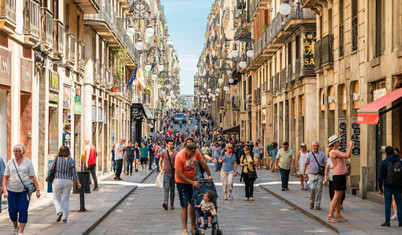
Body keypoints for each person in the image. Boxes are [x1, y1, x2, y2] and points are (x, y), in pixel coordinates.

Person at [175, 142, 213, 235]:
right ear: (186, 150)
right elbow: (179, 174)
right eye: (190, 154)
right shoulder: (179, 156)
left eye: (193, 154)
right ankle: (185, 229)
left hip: (193, 181)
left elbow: (203, 163)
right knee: (184, 204)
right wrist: (192, 182)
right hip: (181, 182)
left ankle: (193, 227)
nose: (191, 156)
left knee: (193, 203)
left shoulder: (196, 152)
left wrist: (209, 175)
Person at [2, 144, 40, 235]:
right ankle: (15, 226)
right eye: (14, 151)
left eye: (17, 151)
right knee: (12, 211)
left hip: (24, 191)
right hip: (12, 190)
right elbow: (5, 178)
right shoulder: (10, 162)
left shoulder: (28, 162)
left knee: (23, 210)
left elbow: (33, 177)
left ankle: (21, 231)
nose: (15, 153)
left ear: (22, 152)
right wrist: (5, 190)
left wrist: (38, 189)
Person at [326, 135, 353, 223]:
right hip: (338, 176)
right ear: (335, 143)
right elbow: (347, 155)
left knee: (340, 196)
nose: (340, 142)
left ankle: (338, 215)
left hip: (341, 175)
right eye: (338, 141)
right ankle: (330, 215)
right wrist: (350, 146)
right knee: (336, 196)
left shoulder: (336, 151)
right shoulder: (333, 152)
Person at [51, 145, 81, 223]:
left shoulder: (57, 159)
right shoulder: (71, 160)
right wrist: (78, 182)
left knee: (56, 198)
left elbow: (51, 168)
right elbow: (74, 172)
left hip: (57, 180)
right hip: (68, 181)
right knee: (65, 199)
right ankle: (65, 218)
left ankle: (59, 211)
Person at [378, 146, 402, 227]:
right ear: (393, 152)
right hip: (398, 186)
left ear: (386, 153)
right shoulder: (399, 161)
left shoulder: (384, 162)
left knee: (388, 204)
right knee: (399, 203)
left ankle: (387, 221)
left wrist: (380, 188)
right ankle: (401, 221)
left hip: (388, 185)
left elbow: (380, 177)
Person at [302, 141, 326, 210]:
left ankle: (317, 204)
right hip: (311, 174)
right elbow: (305, 164)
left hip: (319, 174)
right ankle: (312, 201)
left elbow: (325, 163)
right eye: (314, 146)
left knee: (319, 189)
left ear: (318, 146)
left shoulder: (322, 154)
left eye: (316, 146)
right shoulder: (309, 154)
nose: (315, 147)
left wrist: (325, 173)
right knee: (312, 188)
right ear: (312, 147)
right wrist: (303, 173)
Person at [159, 140, 178, 210]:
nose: (170, 145)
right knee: (166, 188)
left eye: (172, 144)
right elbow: (160, 161)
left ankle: (172, 204)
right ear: (167, 145)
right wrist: (161, 169)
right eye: (169, 144)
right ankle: (165, 202)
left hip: (174, 173)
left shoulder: (176, 153)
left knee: (172, 189)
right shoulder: (164, 153)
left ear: (174, 145)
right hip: (166, 173)